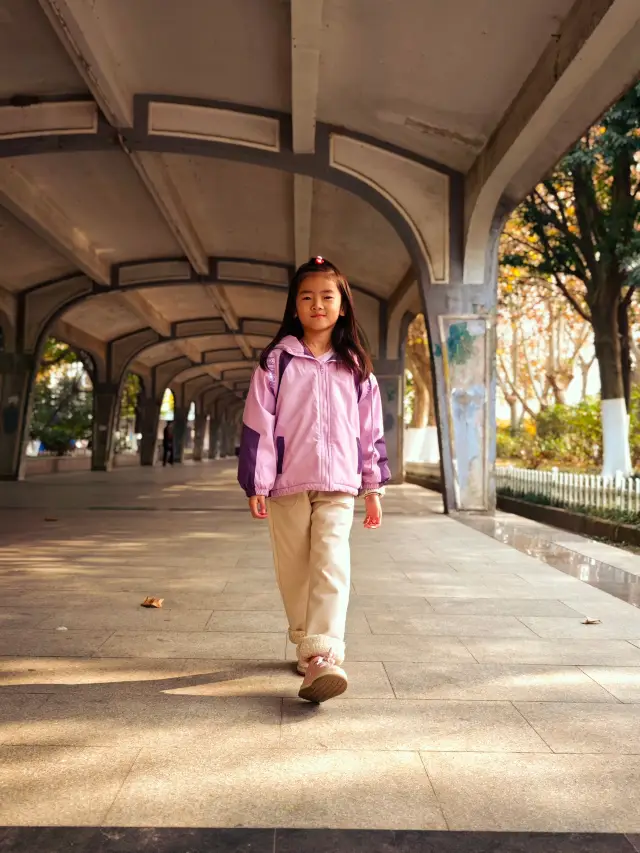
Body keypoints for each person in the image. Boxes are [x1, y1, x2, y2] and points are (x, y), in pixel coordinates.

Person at [238, 257, 389, 703]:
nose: (317, 304)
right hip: (288, 481)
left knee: (330, 560)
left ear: (343, 306)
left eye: (327, 296)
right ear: (294, 306)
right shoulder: (275, 361)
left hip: (339, 483)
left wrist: (373, 487)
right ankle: (306, 642)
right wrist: (257, 483)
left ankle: (323, 653)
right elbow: (257, 426)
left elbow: (371, 431)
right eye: (307, 297)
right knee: (294, 569)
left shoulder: (356, 366)